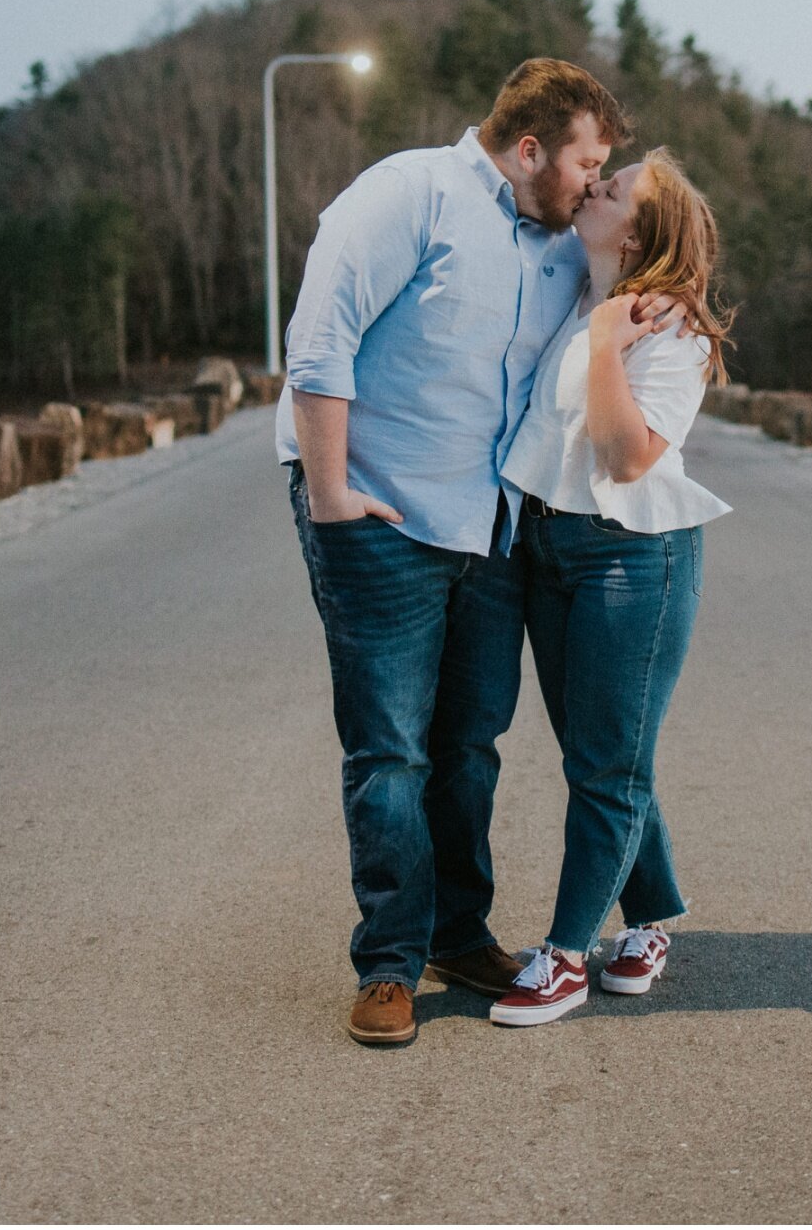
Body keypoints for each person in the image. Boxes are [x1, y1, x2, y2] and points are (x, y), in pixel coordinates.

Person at [278, 57, 634, 1047]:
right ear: (528, 150)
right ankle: (386, 964)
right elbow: (319, 341)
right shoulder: (407, 194)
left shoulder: (563, 247)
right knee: (389, 747)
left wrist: (608, 248)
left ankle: (454, 930)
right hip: (378, 516)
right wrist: (333, 497)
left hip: (487, 528)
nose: (594, 181)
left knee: (468, 745)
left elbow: (596, 340)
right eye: (586, 162)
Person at [487, 147, 732, 1026]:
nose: (596, 184)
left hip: (635, 556)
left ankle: (563, 954)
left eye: (617, 186)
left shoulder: (671, 330)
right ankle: (653, 917)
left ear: (639, 235)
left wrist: (601, 346)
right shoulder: (574, 288)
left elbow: (627, 455)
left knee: (605, 760)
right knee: (603, 753)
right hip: (548, 546)